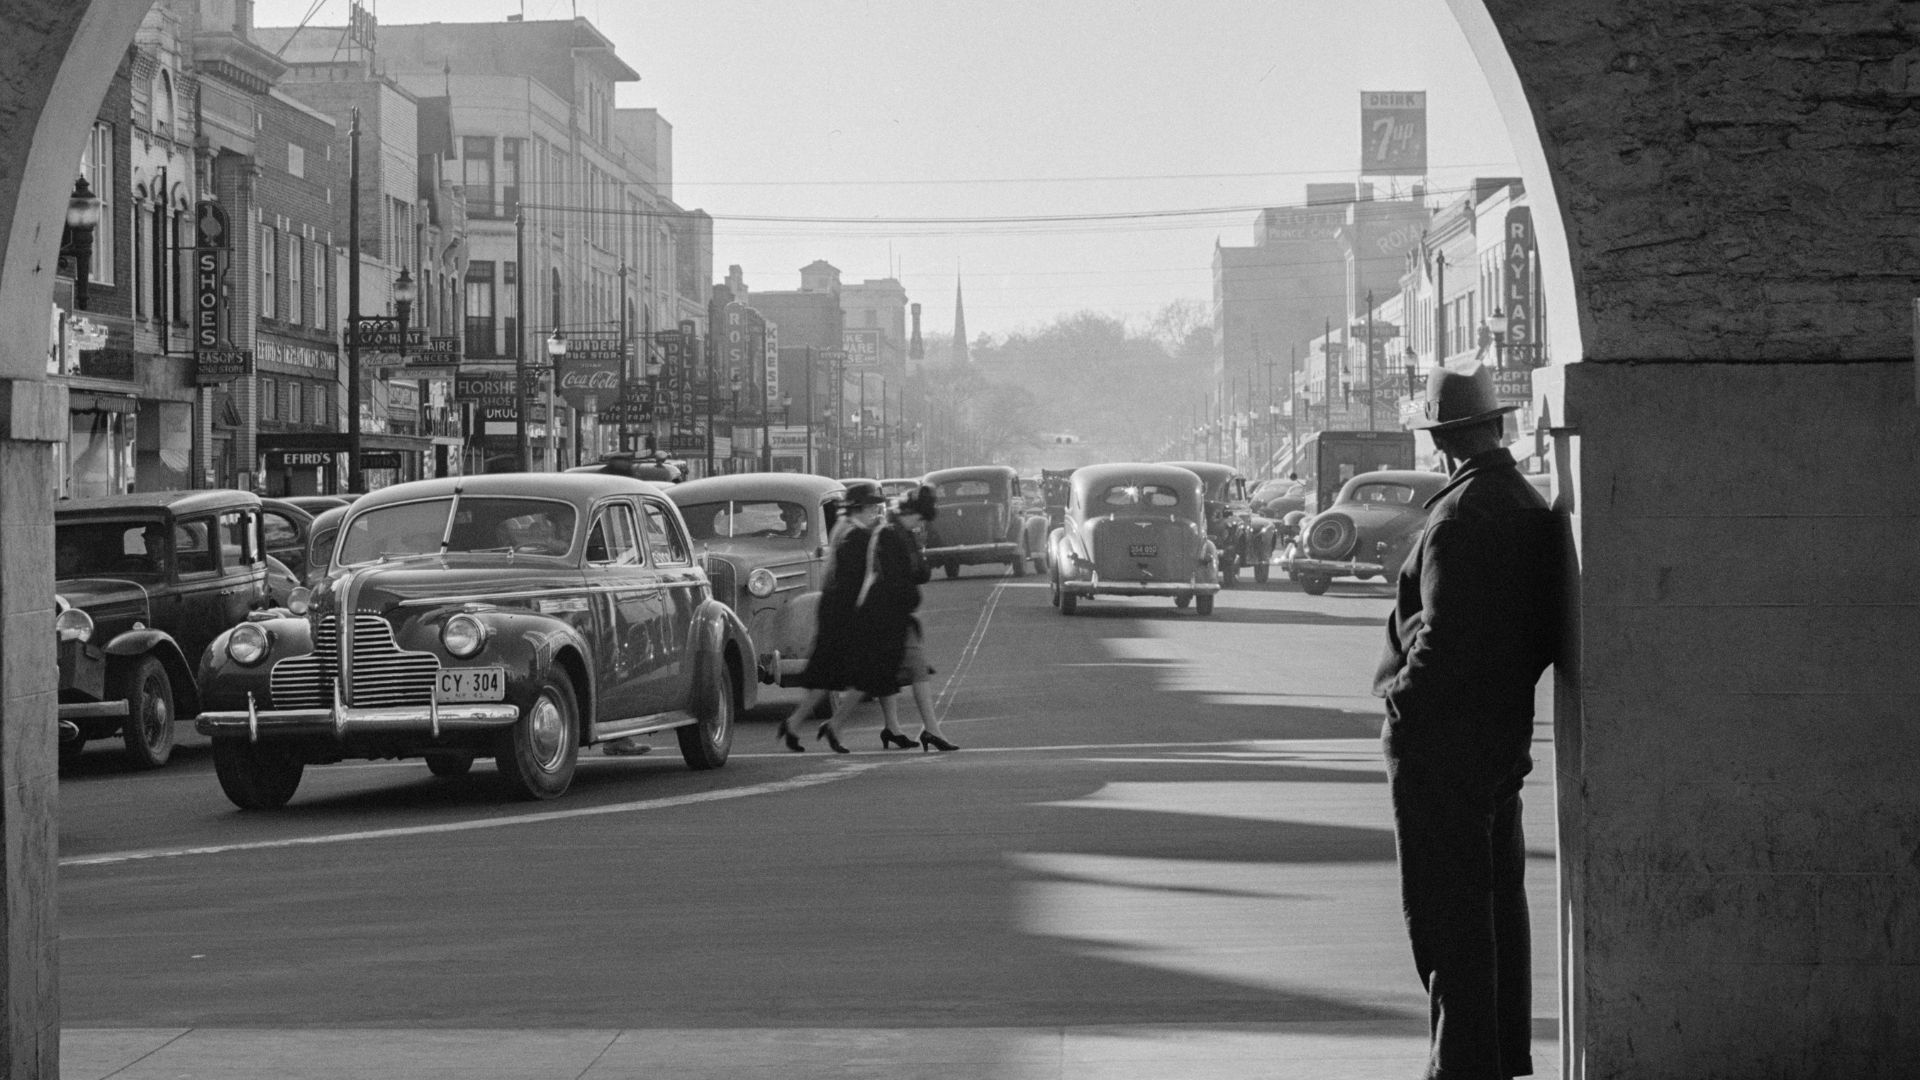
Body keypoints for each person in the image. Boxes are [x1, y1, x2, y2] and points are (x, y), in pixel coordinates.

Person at [1373, 363, 1564, 1080]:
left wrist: (1402, 706)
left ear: (1444, 441)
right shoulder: (1523, 502)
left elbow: (1442, 637)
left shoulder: (1458, 516)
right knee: (1495, 906)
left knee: (1446, 916)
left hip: (1440, 746)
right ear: (1495, 426)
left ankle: (1460, 1066)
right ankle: (1498, 1055)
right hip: (1499, 736)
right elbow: (1540, 632)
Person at [775, 481, 916, 754]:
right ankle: (833, 725)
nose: (876, 512)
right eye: (872, 507)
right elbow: (859, 582)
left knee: (833, 675)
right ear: (860, 508)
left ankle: (795, 723)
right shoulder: (858, 538)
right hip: (848, 614)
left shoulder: (846, 532)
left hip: (837, 611)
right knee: (865, 674)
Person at [876, 485, 957, 752]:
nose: (920, 524)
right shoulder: (893, 536)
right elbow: (914, 574)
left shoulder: (896, 533)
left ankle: (892, 727)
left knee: (887, 671)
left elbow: (918, 572)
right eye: (919, 519)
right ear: (910, 514)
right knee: (918, 669)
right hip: (894, 613)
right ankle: (932, 731)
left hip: (892, 612)